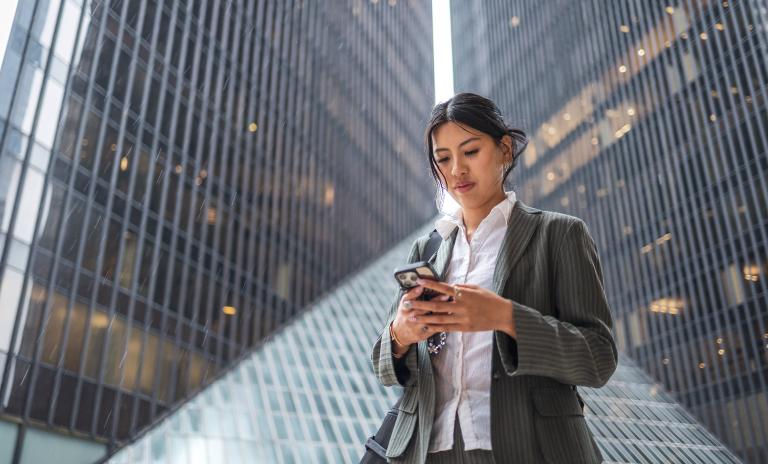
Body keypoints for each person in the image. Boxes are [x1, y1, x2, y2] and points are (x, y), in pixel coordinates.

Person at [370, 92, 618, 463]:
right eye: (443, 159)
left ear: (504, 150)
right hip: (427, 450)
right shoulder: (427, 249)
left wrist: (506, 317)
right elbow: (383, 364)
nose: (456, 170)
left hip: (528, 447)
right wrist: (401, 334)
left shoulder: (559, 235)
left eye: (470, 152)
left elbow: (598, 357)